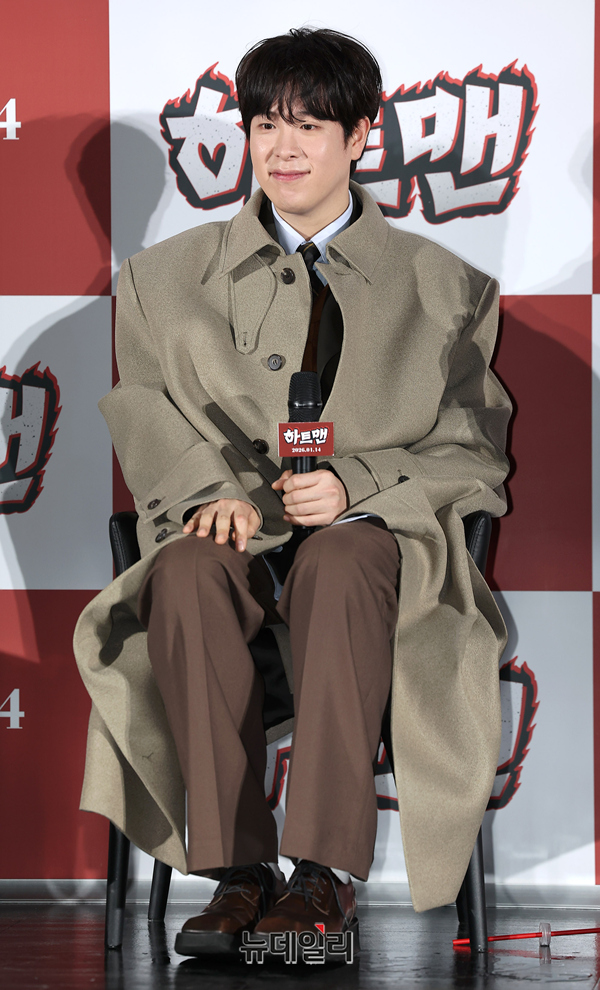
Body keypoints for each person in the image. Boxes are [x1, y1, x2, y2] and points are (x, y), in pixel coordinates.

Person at [74, 27, 511, 959]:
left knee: (345, 556)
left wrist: (359, 485)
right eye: (265, 124)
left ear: (361, 136)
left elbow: (475, 452)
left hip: (376, 572)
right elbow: (141, 404)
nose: (283, 147)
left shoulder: (447, 289)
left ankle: (322, 876)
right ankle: (240, 872)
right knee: (186, 571)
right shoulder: (160, 281)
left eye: (310, 126)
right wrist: (206, 490)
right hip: (235, 554)